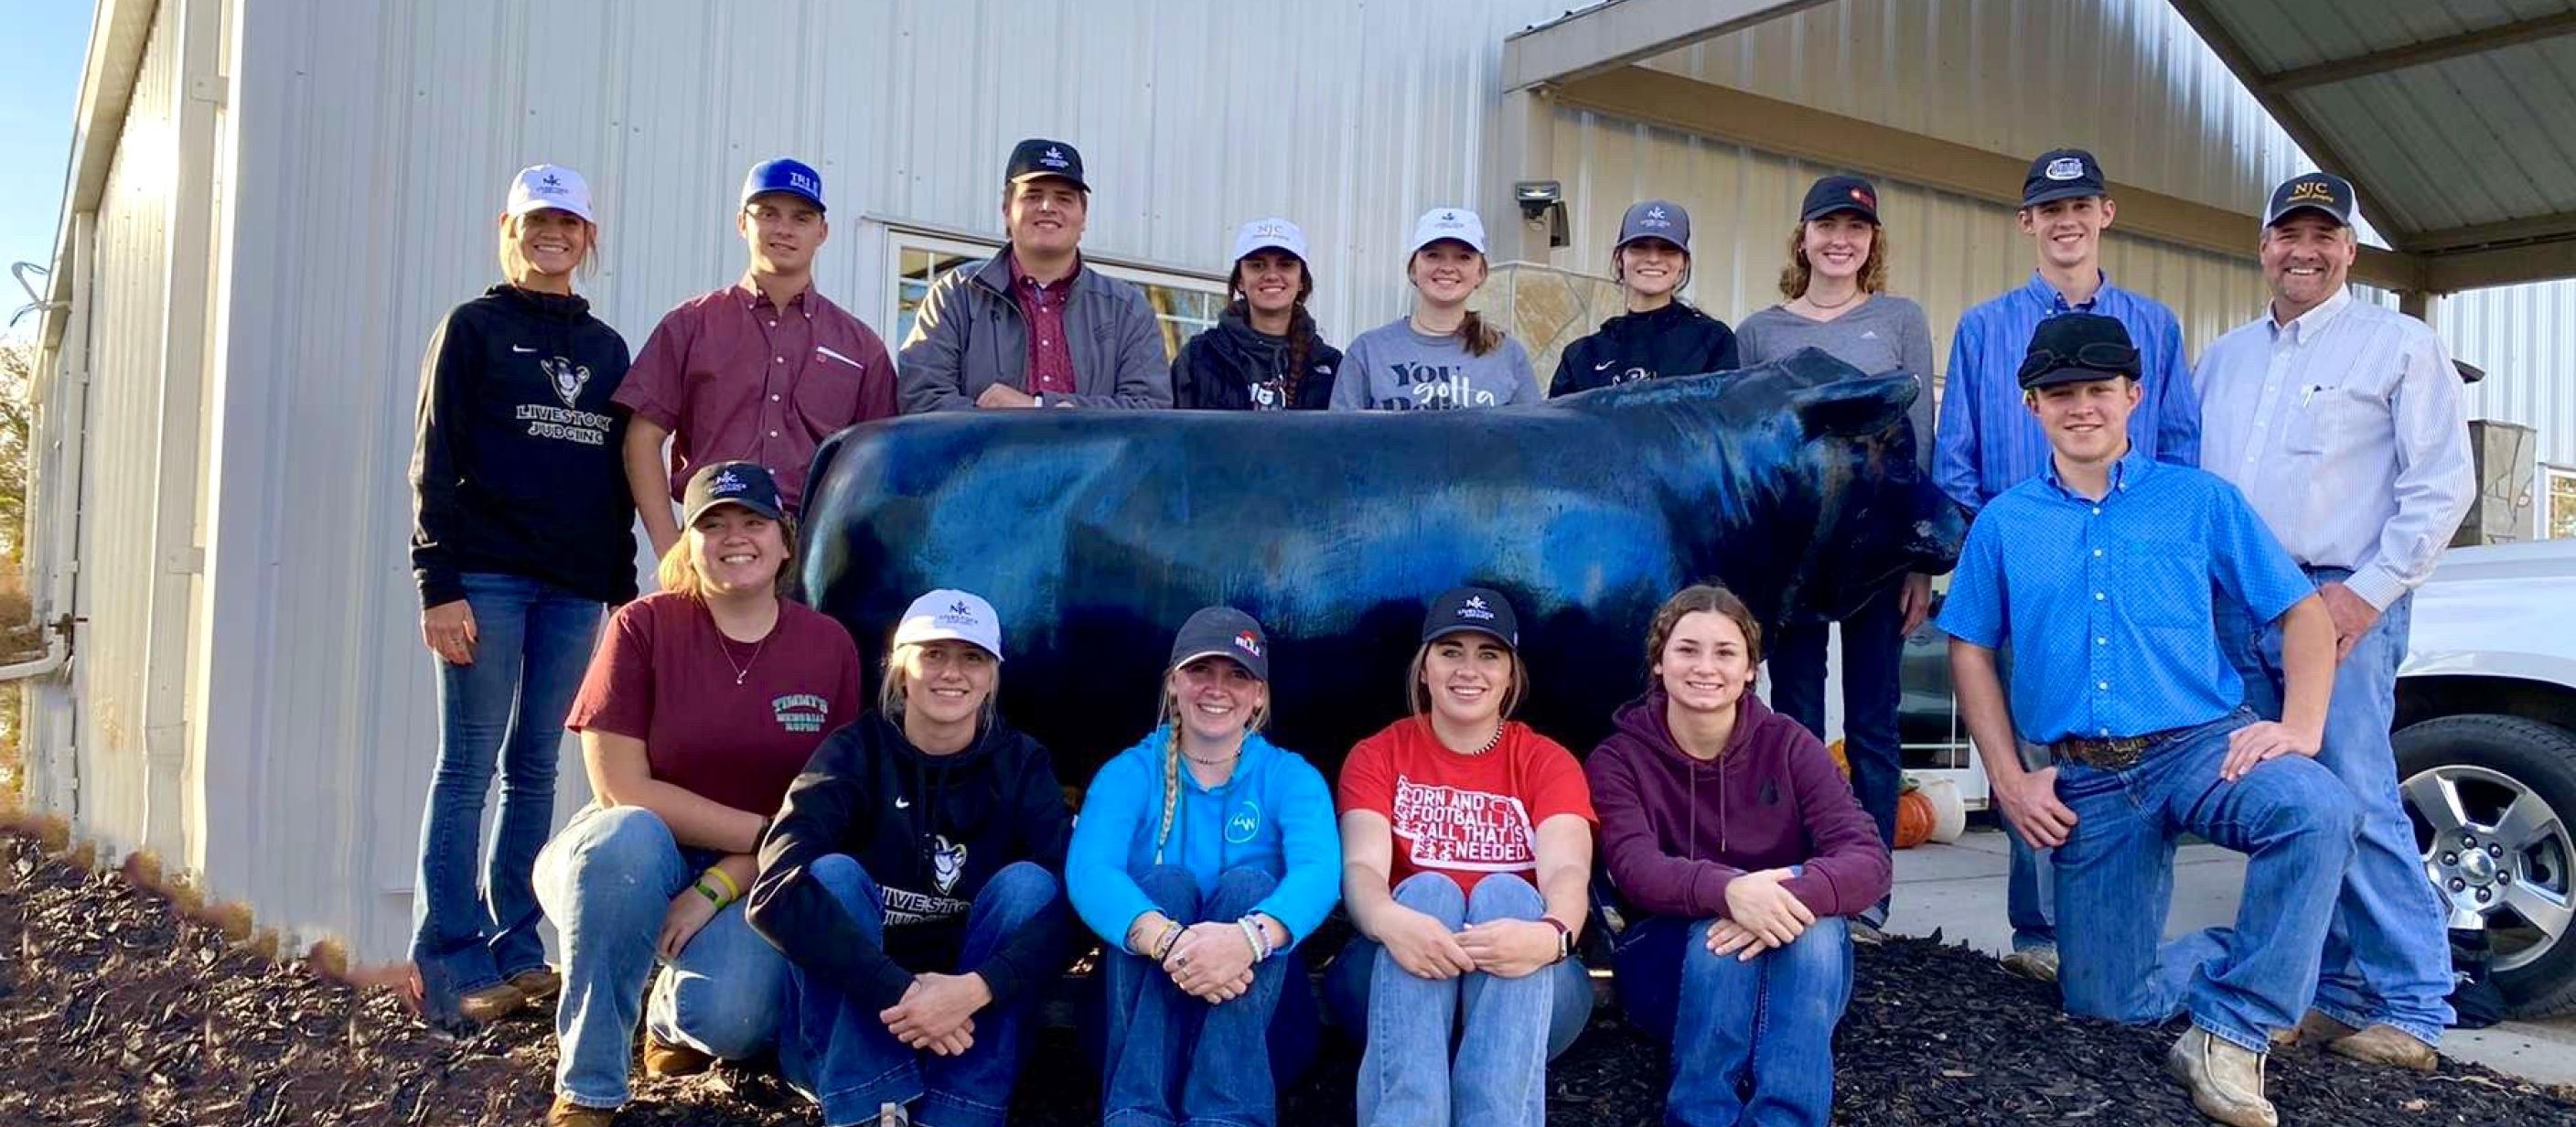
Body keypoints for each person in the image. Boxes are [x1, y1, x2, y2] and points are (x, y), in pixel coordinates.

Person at [1941, 313, 2359, 1127]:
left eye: (2099, 389)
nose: (2082, 407)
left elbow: (2303, 612)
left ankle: (2233, 1032)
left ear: (2134, 395)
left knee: (2316, 808)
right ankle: (2241, 958)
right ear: (2033, 405)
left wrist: (2302, 727)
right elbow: (1969, 648)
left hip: (2202, 748)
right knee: (2108, 1004)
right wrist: (2009, 779)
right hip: (2088, 780)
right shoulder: (2005, 522)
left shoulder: (2199, 501)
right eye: (2061, 393)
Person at [2196, 171, 2474, 1073]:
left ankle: (2414, 1000)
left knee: (2355, 790)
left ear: (2350, 249)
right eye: (2289, 233)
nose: (2304, 251)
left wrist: (2366, 593)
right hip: (2239, 601)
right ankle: (2327, 988)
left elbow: (2442, 486)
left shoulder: (2399, 346)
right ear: (2263, 245)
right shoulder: (2223, 358)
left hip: (2336, 596)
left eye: (2323, 235)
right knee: (2288, 800)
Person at [1937, 147, 2204, 982]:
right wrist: (1992, 561)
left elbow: (2181, 448)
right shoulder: (1984, 329)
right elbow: (1956, 457)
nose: (2066, 221)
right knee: (2032, 750)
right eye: (2050, 209)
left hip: (2131, 578)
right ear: (2027, 222)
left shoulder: (2155, 327)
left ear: (2105, 214)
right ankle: (2041, 933)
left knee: (2134, 747)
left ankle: (2126, 928)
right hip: (2026, 577)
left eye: (2080, 205)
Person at [535, 461, 865, 1127]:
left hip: (751, 874)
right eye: (713, 524)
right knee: (627, 837)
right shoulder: (642, 626)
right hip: (627, 855)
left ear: (786, 541)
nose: (734, 537)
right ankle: (589, 1088)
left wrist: (720, 882)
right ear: (689, 543)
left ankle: (665, 1014)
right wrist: (762, 837)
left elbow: (831, 806)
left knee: (733, 1022)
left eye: (753, 522)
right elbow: (620, 788)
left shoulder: (828, 645)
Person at [405, 163, 634, 1028]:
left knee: (535, 766)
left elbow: (613, 478)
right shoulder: (472, 329)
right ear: (509, 229)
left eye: (568, 224)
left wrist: (620, 590)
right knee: (468, 764)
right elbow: (433, 460)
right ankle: (450, 956)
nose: (553, 236)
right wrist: (439, 583)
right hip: (486, 581)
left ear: (588, 238)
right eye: (537, 221)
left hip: (574, 591)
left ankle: (516, 947)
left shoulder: (606, 348)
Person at [746, 589, 1074, 1127]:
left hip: (971, 1025)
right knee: (829, 875)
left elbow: (1077, 905)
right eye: (933, 654)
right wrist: (905, 994)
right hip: (857, 1027)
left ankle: (960, 1110)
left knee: (1031, 887)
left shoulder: (1021, 763)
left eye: (972, 657)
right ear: (900, 669)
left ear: (992, 677)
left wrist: (975, 990)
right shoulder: (852, 752)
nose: (952, 673)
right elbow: (775, 889)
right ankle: (870, 1107)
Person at [1589, 584, 1891, 1127]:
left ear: (1751, 668)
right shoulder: (1620, 758)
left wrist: (1778, 898)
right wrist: (1729, 892)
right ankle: (1702, 1115)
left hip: (1794, 965)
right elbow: (1635, 869)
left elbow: (1868, 858)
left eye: (1725, 652)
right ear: (1658, 661)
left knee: (1817, 927)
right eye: (1687, 649)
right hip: (1671, 969)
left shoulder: (1789, 744)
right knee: (1718, 932)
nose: (1706, 667)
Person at [1733, 174, 1934, 941]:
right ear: (1804, 237)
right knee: (1796, 717)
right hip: (1795, 559)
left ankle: (1869, 888)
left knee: (1874, 720)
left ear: (1872, 241)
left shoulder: (1900, 321)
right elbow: (1750, 453)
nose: (1840, 240)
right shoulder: (1761, 333)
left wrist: (1917, 559)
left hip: (1875, 552)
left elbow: (1920, 442)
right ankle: (1801, 871)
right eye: (1827, 226)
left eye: (1856, 228)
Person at [1326, 586, 1595, 1127]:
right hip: (1398, 974)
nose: (1468, 670)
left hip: (1525, 980)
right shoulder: (1378, 754)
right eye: (1451, 652)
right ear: (1424, 668)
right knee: (1428, 892)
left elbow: (1568, 871)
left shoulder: (1547, 761)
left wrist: (1548, 936)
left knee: (1509, 894)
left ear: (1510, 675)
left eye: (1488, 655)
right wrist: (1392, 921)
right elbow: (1361, 869)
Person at [1065, 606, 1342, 1127]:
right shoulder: (1129, 772)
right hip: (1134, 1034)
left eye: (1237, 675)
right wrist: (1171, 943)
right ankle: (1137, 1116)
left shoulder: (1290, 776)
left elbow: (1320, 873)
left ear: (1259, 694)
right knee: (1163, 884)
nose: (1218, 688)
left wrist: (1246, 941)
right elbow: (1090, 872)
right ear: (1174, 683)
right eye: (1200, 671)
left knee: (1250, 886)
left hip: (1260, 1036)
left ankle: (1227, 1117)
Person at [615, 158, 897, 557]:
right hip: (713, 535)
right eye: (768, 214)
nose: (784, 229)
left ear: (822, 232)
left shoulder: (860, 347)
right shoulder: (690, 324)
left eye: (801, 218)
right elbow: (643, 437)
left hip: (815, 550)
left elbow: (881, 464)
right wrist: (668, 548)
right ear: (742, 223)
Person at [897, 139, 1173, 413]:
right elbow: (922, 399)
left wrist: (1037, 407)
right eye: (1032, 195)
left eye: (1063, 198)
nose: (1047, 206)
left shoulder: (1127, 310)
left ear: (1084, 216)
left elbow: (1150, 410)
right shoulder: (956, 296)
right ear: (1007, 211)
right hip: (985, 447)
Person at [1330, 209, 1541, 411]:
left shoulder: (1508, 355)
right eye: (1433, 255)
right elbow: (1342, 433)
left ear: (1480, 272)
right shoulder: (1368, 351)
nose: (1447, 267)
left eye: (1463, 257)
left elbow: (1532, 433)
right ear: (1413, 269)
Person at [1548, 199, 1738, 396]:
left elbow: (1725, 412)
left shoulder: (1713, 341)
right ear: (1619, 259)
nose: (1653, 258)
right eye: (1639, 246)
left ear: (1684, 263)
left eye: (1668, 248)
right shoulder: (1582, 356)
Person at [1170, 219, 1343, 410]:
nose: (1271, 275)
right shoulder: (1198, 357)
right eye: (1257, 265)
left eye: (1285, 265)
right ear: (1240, 280)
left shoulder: (1331, 366)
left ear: (1302, 280)